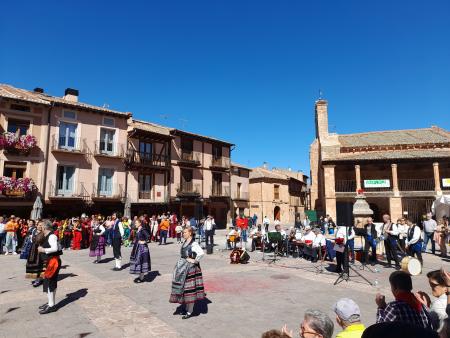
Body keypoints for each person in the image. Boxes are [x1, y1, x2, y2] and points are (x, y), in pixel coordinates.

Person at [170, 226, 205, 319]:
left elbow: (201, 253)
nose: (183, 234)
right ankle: (187, 307)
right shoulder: (185, 242)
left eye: (185, 232)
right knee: (184, 288)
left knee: (190, 290)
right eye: (183, 232)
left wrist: (195, 261)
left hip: (191, 269)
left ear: (190, 233)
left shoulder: (194, 244)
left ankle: (190, 311)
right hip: (183, 268)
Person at [37, 220, 62, 314]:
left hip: (53, 262)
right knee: (50, 283)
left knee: (49, 283)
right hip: (51, 261)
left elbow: (55, 248)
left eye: (41, 226)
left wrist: (43, 249)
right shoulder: (48, 236)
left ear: (45, 227)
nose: (40, 227)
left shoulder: (52, 236)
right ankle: (51, 303)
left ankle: (51, 305)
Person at [129, 219, 151, 283]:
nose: (135, 224)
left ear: (140, 223)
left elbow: (148, 236)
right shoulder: (138, 230)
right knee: (138, 261)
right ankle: (141, 276)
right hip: (137, 247)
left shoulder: (143, 229)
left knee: (141, 261)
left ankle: (142, 278)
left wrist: (144, 241)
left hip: (142, 249)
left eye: (136, 223)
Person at [26, 220, 46, 286]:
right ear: (36, 225)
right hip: (33, 249)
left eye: (41, 225)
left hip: (41, 250)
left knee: (40, 264)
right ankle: (36, 278)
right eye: (39, 225)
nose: (40, 226)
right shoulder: (34, 231)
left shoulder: (44, 232)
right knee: (34, 264)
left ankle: (39, 279)